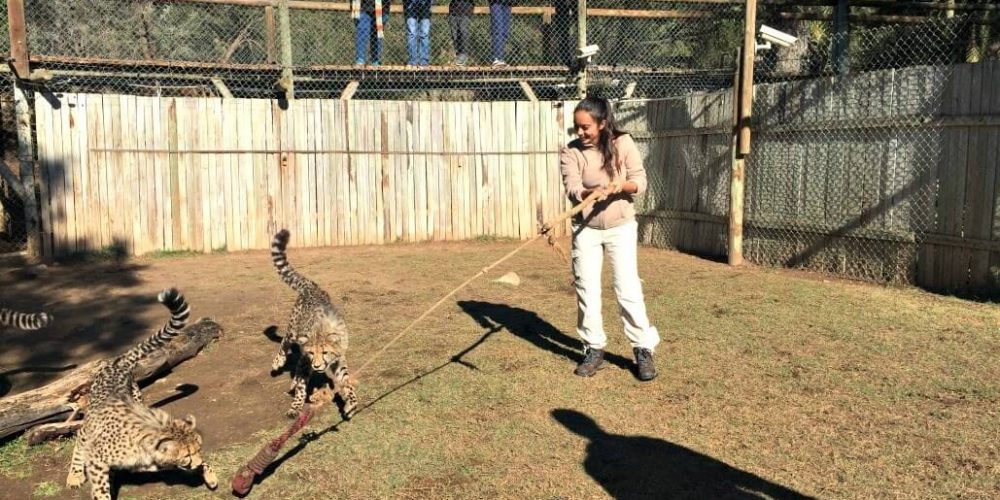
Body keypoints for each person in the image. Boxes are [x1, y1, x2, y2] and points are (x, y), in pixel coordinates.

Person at [559, 97, 660, 381]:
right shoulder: (571, 152)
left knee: (627, 288)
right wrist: (587, 194)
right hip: (586, 229)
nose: (580, 133)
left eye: (586, 127)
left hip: (621, 226)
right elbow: (572, 187)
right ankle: (593, 348)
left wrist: (620, 186)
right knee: (587, 289)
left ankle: (642, 349)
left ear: (603, 124)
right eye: (577, 127)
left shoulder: (623, 144)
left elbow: (640, 181)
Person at [352, 0, 391, 66]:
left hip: (382, 7)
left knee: (377, 35)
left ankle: (376, 60)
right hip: (363, 7)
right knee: (362, 32)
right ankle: (360, 60)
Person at [405, 0, 432, 66]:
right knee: (412, 33)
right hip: (410, 5)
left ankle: (424, 61)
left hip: (426, 5)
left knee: (424, 34)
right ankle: (412, 61)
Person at [449, 0, 474, 66]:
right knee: (454, 35)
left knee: (463, 31)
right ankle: (459, 55)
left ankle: (464, 54)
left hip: (466, 9)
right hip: (453, 10)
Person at [488, 0, 512, 66]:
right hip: (496, 3)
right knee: (498, 30)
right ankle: (496, 59)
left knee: (505, 32)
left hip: (507, 3)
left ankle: (501, 59)